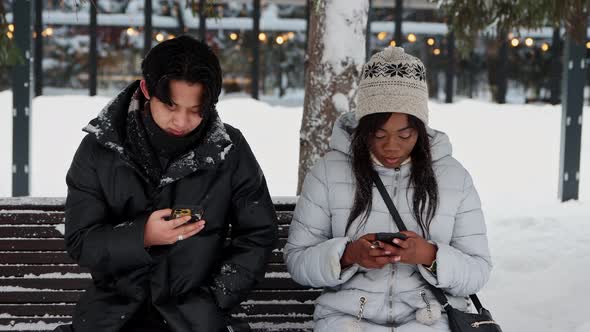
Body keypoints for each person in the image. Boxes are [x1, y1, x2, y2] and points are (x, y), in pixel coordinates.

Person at [57, 35, 278, 332]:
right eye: (171, 107)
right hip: (112, 318)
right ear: (146, 89)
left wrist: (214, 298)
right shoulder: (101, 149)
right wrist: (142, 236)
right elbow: (81, 240)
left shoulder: (229, 149)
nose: (182, 121)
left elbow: (258, 234)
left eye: (196, 110)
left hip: (195, 318)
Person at [284, 47, 492, 331]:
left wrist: (430, 256)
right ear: (363, 127)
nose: (391, 146)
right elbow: (298, 260)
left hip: (431, 319)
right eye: (378, 134)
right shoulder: (328, 172)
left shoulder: (453, 177)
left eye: (405, 134)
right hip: (347, 319)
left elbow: (478, 270)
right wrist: (348, 256)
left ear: (420, 129)